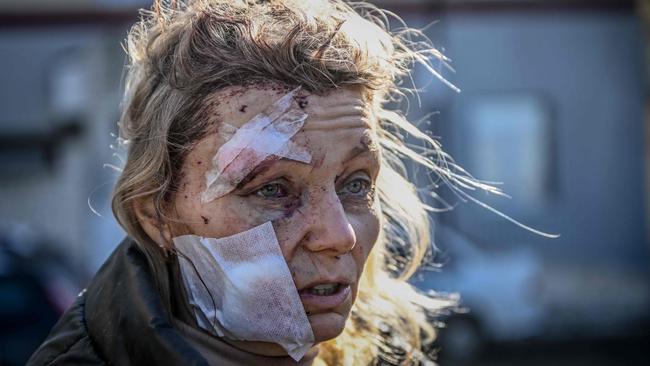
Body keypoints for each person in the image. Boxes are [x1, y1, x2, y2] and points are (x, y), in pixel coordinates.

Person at [27, 0, 492, 364]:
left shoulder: (376, 353)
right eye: (272, 189)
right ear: (157, 214)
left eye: (355, 184)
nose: (340, 235)